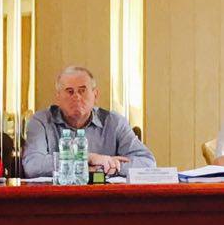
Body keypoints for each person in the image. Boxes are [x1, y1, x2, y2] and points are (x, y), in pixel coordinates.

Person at [22, 65, 155, 178]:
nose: (76, 97)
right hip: (56, 198)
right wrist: (88, 158)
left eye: (82, 91)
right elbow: (33, 165)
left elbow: (147, 163)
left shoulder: (114, 122)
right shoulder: (41, 121)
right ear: (58, 97)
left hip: (106, 198)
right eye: (70, 91)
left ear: (95, 95)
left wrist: (106, 166)